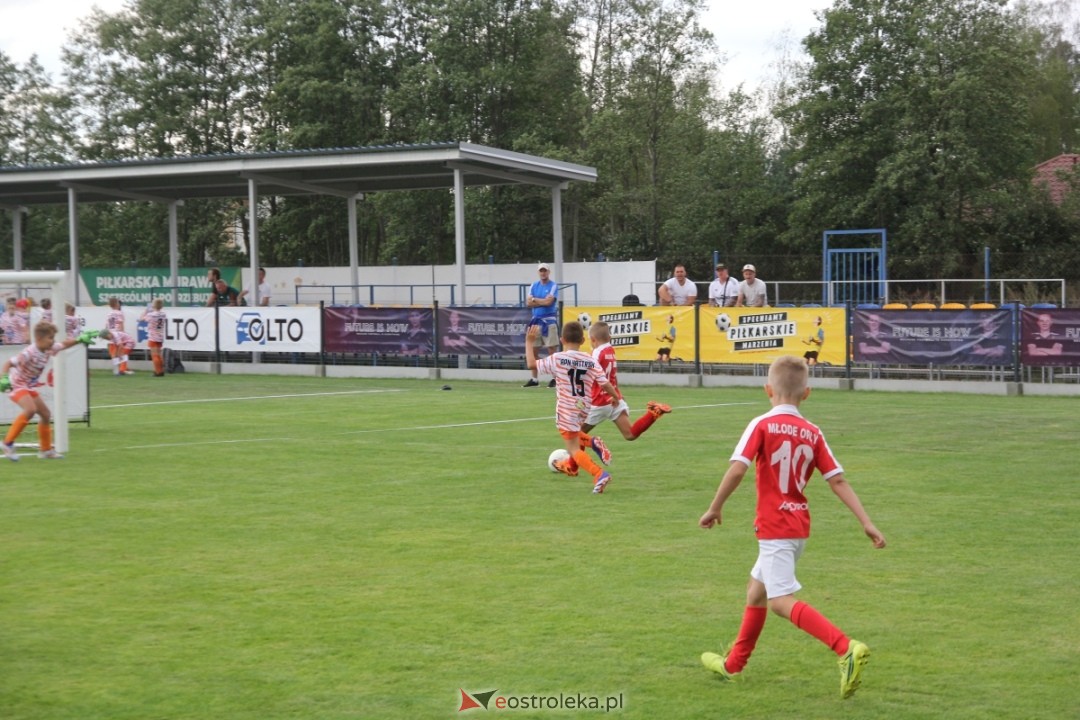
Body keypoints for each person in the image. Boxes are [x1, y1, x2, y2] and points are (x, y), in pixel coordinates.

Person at [698, 355, 886, 698]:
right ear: (807, 393)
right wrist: (867, 522)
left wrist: (714, 507)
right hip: (798, 526)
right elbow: (838, 480)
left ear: (768, 389)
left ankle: (846, 648)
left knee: (779, 601)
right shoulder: (813, 432)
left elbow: (738, 468)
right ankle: (734, 666)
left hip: (775, 527)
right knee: (756, 591)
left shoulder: (762, 424)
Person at [525, 320, 619, 494]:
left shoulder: (558, 358)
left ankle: (599, 474)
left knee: (573, 449)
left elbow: (532, 364)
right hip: (584, 407)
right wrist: (615, 397)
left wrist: (529, 342)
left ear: (562, 340)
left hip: (566, 408)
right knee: (575, 435)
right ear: (583, 341)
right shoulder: (590, 360)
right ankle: (592, 442)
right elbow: (604, 383)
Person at [0, 321, 97, 460]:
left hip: (28, 386)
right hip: (16, 384)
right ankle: (7, 443)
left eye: (53, 338)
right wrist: (3, 378)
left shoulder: (48, 348)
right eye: (50, 338)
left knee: (45, 414)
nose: (53, 341)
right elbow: (8, 363)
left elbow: (63, 345)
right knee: (30, 410)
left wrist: (80, 339)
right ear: (39, 338)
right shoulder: (29, 353)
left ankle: (45, 450)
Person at [580, 321, 672, 447]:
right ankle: (653, 413)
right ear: (609, 338)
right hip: (614, 399)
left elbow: (593, 375)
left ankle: (573, 463)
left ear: (592, 339)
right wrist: (617, 394)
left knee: (576, 434)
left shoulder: (596, 353)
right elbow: (612, 375)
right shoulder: (610, 350)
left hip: (599, 401)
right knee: (630, 434)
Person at [523, 262, 559, 388]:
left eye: (545, 271)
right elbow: (528, 303)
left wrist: (535, 300)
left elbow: (549, 302)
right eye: (541, 271)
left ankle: (555, 378)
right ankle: (534, 379)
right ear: (539, 272)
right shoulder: (534, 285)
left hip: (549, 321)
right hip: (536, 321)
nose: (543, 273)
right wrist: (541, 301)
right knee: (533, 351)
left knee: (552, 350)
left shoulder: (553, 285)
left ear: (548, 272)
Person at [141, 298, 168, 376]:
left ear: (153, 305)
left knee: (154, 355)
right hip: (160, 336)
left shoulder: (151, 314)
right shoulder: (163, 314)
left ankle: (158, 371)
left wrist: (145, 311)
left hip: (153, 337)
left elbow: (142, 319)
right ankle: (161, 370)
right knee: (159, 354)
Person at [105, 297, 126, 369]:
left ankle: (115, 368)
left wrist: (107, 334)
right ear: (117, 304)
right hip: (118, 334)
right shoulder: (119, 313)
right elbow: (121, 324)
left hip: (111, 334)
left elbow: (107, 325)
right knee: (120, 352)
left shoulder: (109, 314)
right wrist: (123, 334)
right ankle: (122, 368)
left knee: (113, 353)